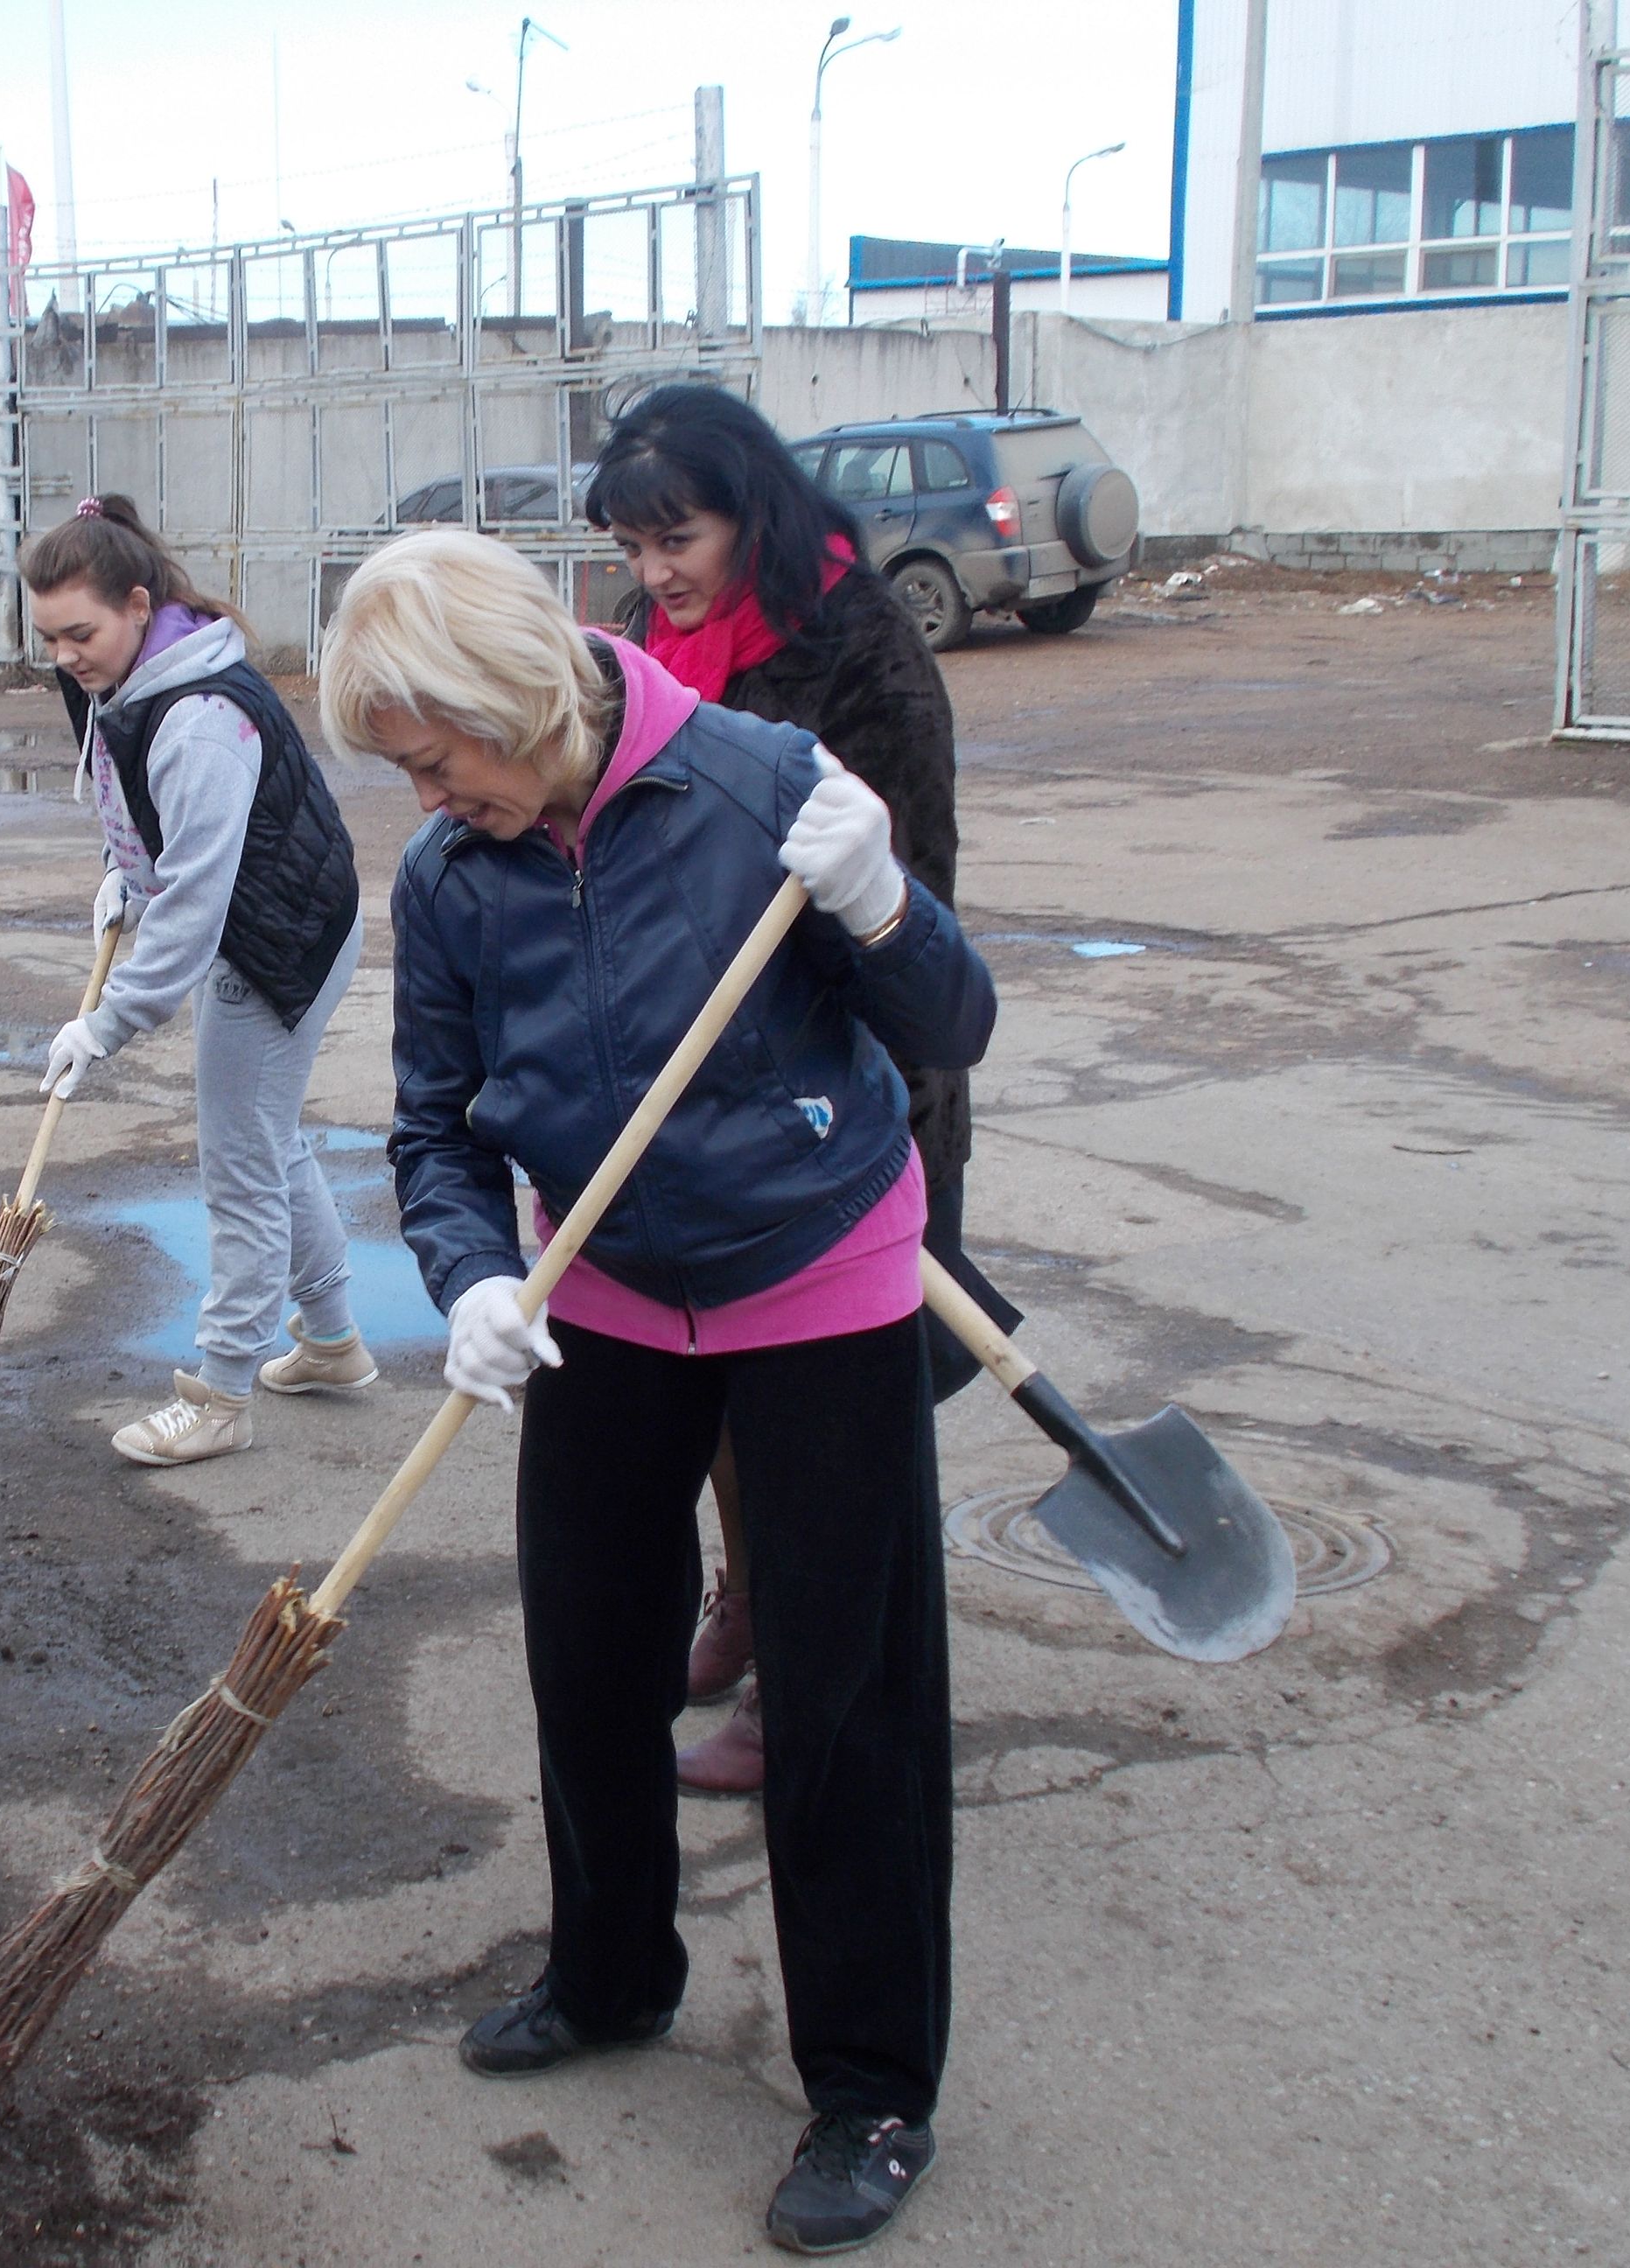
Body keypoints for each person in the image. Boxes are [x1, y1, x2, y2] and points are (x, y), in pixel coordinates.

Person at [321, 528, 994, 2255]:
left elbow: (952, 1020)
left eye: (432, 754)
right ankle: (613, 1973)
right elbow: (438, 1119)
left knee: (843, 1710)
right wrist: (467, 1270)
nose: (426, 792)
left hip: (816, 1281)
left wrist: (879, 898)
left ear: (510, 694)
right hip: (601, 1298)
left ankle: (871, 2088)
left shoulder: (764, 786)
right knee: (589, 1664)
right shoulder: (461, 878)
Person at [586, 383, 1019, 1801]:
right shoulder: (651, 647)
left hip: (849, 1098)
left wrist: (840, 1087)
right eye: (634, 547)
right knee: (711, 1397)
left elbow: (915, 908)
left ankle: (814, 1683)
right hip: (690, 1089)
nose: (655, 574)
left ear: (752, 509)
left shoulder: (861, 656)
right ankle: (749, 1598)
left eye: (679, 539)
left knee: (826, 1429)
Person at [24, 495, 374, 1466]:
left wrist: (106, 1023)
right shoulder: (130, 675)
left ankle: (222, 1394)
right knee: (266, 1138)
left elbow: (196, 904)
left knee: (240, 1165)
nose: (65, 655)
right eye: (47, 637)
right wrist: (121, 877)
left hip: (278, 940)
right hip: (275, 912)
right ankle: (334, 1341)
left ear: (140, 605)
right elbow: (135, 811)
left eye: (80, 633)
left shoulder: (200, 721)